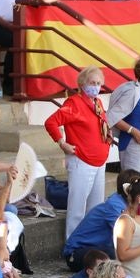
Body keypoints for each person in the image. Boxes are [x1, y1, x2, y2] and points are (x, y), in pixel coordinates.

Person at [44, 66, 113, 238]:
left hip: (98, 161)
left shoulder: (97, 102)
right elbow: (51, 122)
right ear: (82, 84)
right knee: (77, 208)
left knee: (95, 207)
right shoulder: (74, 103)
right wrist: (62, 142)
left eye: (98, 83)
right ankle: (72, 246)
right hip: (82, 160)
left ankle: (90, 243)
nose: (96, 86)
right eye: (92, 83)